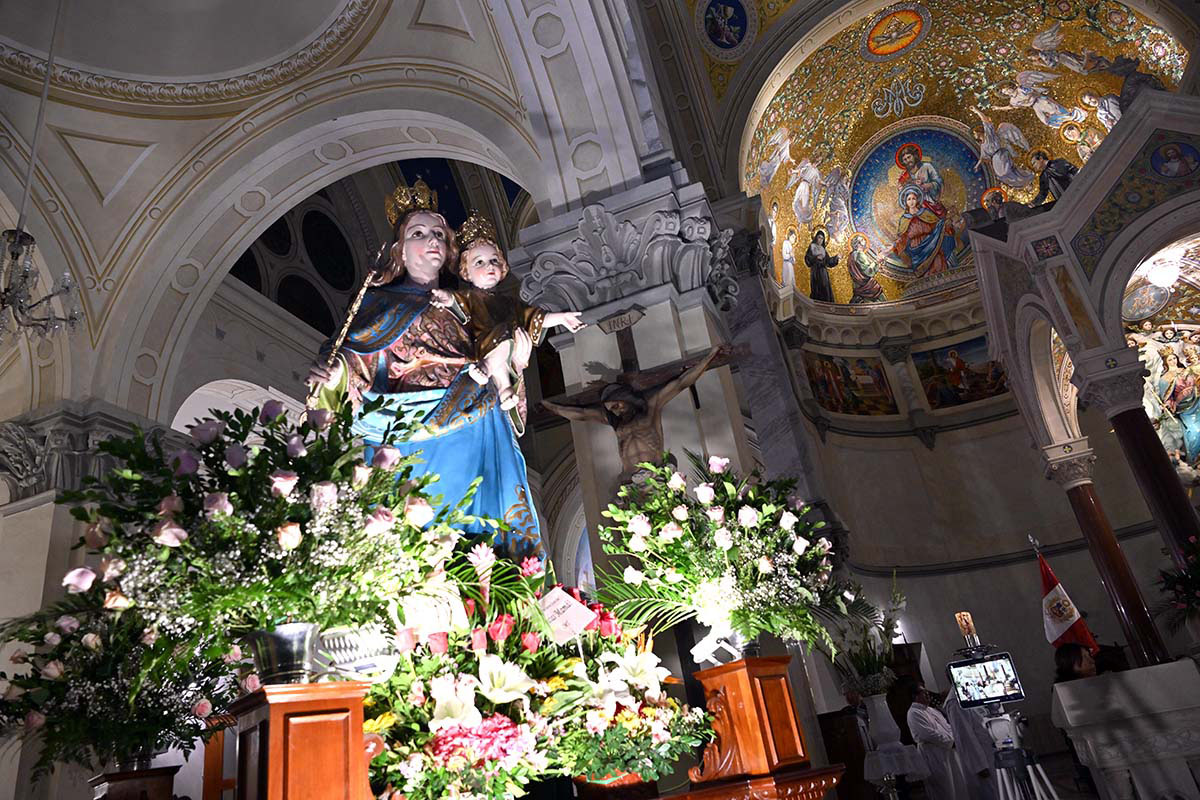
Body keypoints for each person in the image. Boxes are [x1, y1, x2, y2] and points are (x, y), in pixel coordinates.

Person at [307, 182, 543, 559]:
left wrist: (513, 358)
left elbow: (498, 354)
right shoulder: (378, 301)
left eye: (438, 234)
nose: (431, 240)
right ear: (400, 250)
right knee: (412, 530)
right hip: (401, 431)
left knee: (472, 536)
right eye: (418, 234)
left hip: (472, 426)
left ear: (449, 250)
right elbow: (353, 358)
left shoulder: (466, 307)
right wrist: (336, 374)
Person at [431, 211, 584, 411]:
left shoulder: (510, 303)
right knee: (505, 334)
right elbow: (456, 301)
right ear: (466, 271)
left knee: (508, 336)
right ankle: (491, 372)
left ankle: (504, 388)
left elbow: (534, 317)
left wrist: (561, 318)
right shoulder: (469, 296)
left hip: (505, 348)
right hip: (481, 346)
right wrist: (446, 297)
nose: (489, 266)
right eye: (479, 262)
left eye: (494, 260)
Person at [541, 346, 722, 481]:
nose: (616, 410)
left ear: (625, 398)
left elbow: (681, 383)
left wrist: (709, 358)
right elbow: (582, 414)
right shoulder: (615, 422)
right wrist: (553, 408)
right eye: (612, 409)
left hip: (657, 472)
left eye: (616, 404)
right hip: (631, 480)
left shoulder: (650, 407)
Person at [906, 682, 970, 799]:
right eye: (923, 692)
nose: (927, 694)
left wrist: (955, 738)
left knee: (958, 784)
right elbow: (928, 734)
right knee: (944, 788)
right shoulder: (914, 713)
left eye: (927, 691)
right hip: (933, 753)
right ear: (915, 696)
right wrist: (951, 741)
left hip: (948, 752)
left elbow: (947, 727)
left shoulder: (931, 710)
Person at [887, 186, 958, 278]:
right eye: (909, 199)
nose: (911, 201)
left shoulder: (926, 213)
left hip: (932, 244)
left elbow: (938, 225)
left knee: (938, 263)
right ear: (905, 202)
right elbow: (903, 238)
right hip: (916, 250)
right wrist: (891, 248)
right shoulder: (904, 219)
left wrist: (946, 224)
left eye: (913, 198)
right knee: (924, 275)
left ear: (917, 200)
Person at [942, 692, 997, 800]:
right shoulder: (954, 702)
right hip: (982, 759)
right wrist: (979, 766)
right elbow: (964, 737)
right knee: (990, 792)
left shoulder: (972, 693)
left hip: (992, 750)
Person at [806, 230, 838, 302]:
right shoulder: (812, 246)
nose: (820, 240)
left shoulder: (823, 249)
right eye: (819, 237)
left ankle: (826, 304)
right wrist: (815, 258)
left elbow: (828, 261)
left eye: (822, 238)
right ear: (816, 238)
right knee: (816, 288)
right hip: (815, 271)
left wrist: (836, 258)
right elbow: (807, 259)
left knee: (825, 287)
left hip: (823, 272)